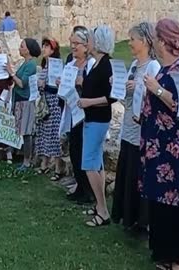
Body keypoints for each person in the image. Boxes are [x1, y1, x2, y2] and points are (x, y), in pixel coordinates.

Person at [140, 18, 179, 270]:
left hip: (176, 149)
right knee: (160, 201)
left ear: (164, 41)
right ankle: (164, 253)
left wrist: (156, 90)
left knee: (177, 202)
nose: (153, 41)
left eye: (156, 38)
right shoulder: (165, 67)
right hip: (157, 147)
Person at [111, 22, 161, 233]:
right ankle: (128, 217)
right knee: (128, 173)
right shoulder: (133, 66)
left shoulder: (152, 67)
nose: (129, 43)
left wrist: (138, 86)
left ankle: (142, 222)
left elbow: (156, 97)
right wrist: (119, 84)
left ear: (145, 41)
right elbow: (127, 98)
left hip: (142, 132)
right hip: (129, 127)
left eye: (132, 39)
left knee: (138, 174)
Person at [77, 25, 116, 227]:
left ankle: (102, 210)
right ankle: (100, 205)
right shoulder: (97, 64)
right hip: (92, 118)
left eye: (90, 39)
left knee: (89, 163)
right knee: (97, 163)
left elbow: (111, 97)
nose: (88, 42)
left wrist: (88, 102)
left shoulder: (106, 66)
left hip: (98, 119)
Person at [62, 25, 95, 204]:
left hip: (86, 113)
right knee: (74, 151)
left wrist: (82, 82)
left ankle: (88, 190)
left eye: (77, 43)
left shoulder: (90, 64)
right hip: (73, 113)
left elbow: (95, 86)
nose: (73, 46)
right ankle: (80, 187)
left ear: (85, 45)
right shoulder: (70, 64)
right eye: (71, 43)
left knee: (84, 152)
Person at [6, 38, 41, 171]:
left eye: (22, 46)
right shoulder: (25, 63)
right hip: (19, 99)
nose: (19, 49)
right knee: (21, 129)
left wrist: (11, 73)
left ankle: (27, 161)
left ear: (28, 50)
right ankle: (23, 158)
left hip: (26, 100)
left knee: (26, 131)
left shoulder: (31, 65)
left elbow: (22, 83)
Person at [35, 37, 63, 180]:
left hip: (54, 104)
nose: (44, 48)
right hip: (45, 103)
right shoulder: (45, 66)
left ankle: (58, 167)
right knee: (44, 132)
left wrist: (43, 85)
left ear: (53, 50)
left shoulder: (57, 66)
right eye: (44, 46)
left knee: (54, 135)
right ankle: (44, 163)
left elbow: (55, 87)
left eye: (47, 46)